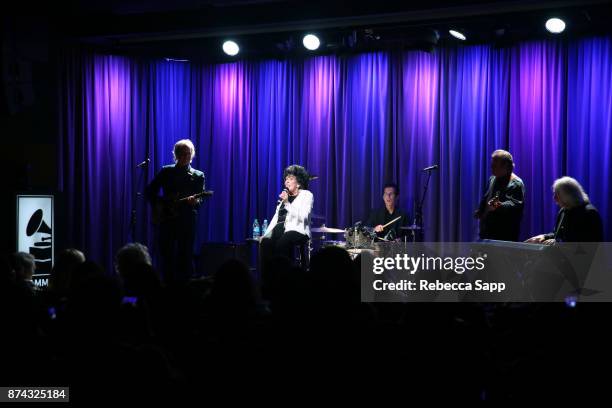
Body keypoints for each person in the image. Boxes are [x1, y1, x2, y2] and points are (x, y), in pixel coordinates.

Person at [145, 139, 205, 284]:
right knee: (167, 256)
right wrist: (162, 204)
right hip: (167, 219)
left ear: (192, 155)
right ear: (176, 155)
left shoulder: (198, 175)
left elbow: (200, 200)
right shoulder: (167, 171)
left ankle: (184, 290)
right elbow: (149, 191)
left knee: (185, 255)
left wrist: (194, 201)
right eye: (182, 153)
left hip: (187, 221)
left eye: (188, 153)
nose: (185, 156)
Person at [261, 165, 313, 264]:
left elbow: (304, 218)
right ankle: (268, 275)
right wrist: (265, 235)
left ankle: (284, 274)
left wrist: (287, 203)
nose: (287, 181)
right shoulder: (283, 200)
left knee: (282, 243)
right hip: (283, 231)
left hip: (299, 231)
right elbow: (276, 219)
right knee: (265, 243)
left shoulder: (306, 195)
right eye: (286, 179)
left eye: (291, 178)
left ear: (298, 183)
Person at [526, 176, 603, 244]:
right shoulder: (564, 211)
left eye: (557, 195)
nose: (554, 198)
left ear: (568, 195)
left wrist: (559, 243)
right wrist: (544, 237)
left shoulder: (589, 213)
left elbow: (588, 245)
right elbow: (557, 234)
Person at [475, 149, 525, 241]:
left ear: (505, 166)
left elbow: (515, 206)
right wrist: (481, 210)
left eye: (494, 166)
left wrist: (498, 205)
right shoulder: (492, 179)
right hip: (487, 233)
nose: (491, 168)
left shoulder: (516, 183)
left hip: (504, 235)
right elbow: (487, 196)